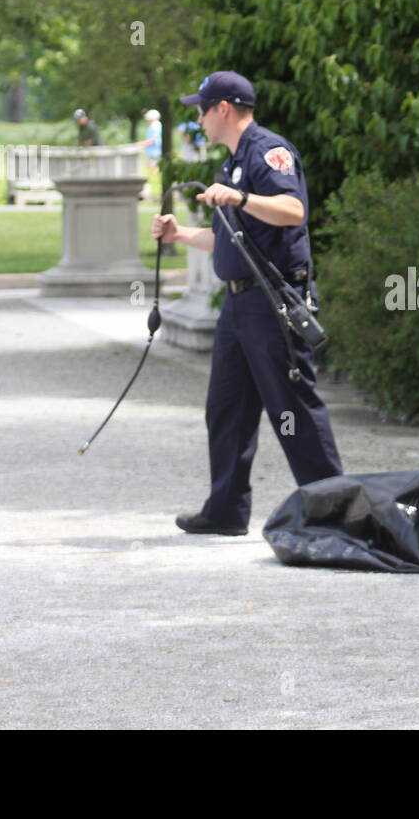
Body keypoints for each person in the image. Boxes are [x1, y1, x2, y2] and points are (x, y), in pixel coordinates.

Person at [153, 70, 343, 535]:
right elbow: (228, 238)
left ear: (223, 109)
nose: (197, 117)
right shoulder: (232, 163)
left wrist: (241, 195)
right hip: (238, 306)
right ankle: (225, 511)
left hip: (273, 303)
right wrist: (180, 235)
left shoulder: (266, 152)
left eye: (202, 108)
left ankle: (337, 513)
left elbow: (293, 210)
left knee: (291, 409)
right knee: (226, 407)